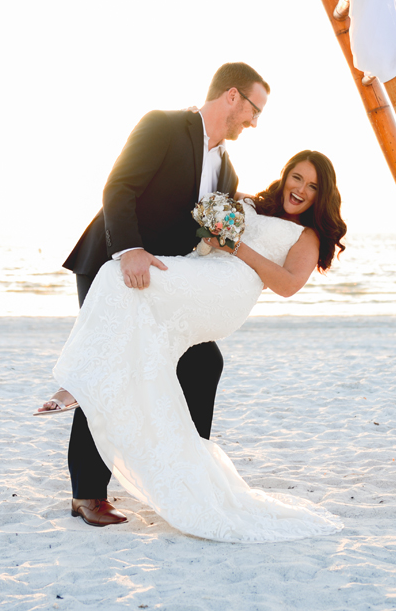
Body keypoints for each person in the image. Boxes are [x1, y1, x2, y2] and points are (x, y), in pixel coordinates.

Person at [47, 151, 348, 542]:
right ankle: (88, 392)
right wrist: (212, 235)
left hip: (227, 292)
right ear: (285, 175)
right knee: (120, 290)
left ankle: (77, 380)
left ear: (322, 196)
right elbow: (204, 224)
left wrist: (237, 247)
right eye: (297, 178)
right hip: (204, 270)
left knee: (121, 280)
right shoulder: (253, 203)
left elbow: (288, 284)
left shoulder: (308, 234)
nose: (300, 190)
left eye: (312, 186)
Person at [44, 62, 270, 528]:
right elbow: (119, 186)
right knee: (108, 366)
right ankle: (87, 494)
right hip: (113, 265)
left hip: (166, 285)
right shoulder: (163, 125)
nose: (253, 122)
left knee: (205, 362)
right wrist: (129, 249)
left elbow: (208, 231)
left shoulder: (226, 168)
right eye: (253, 109)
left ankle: (191, 483)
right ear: (231, 96)